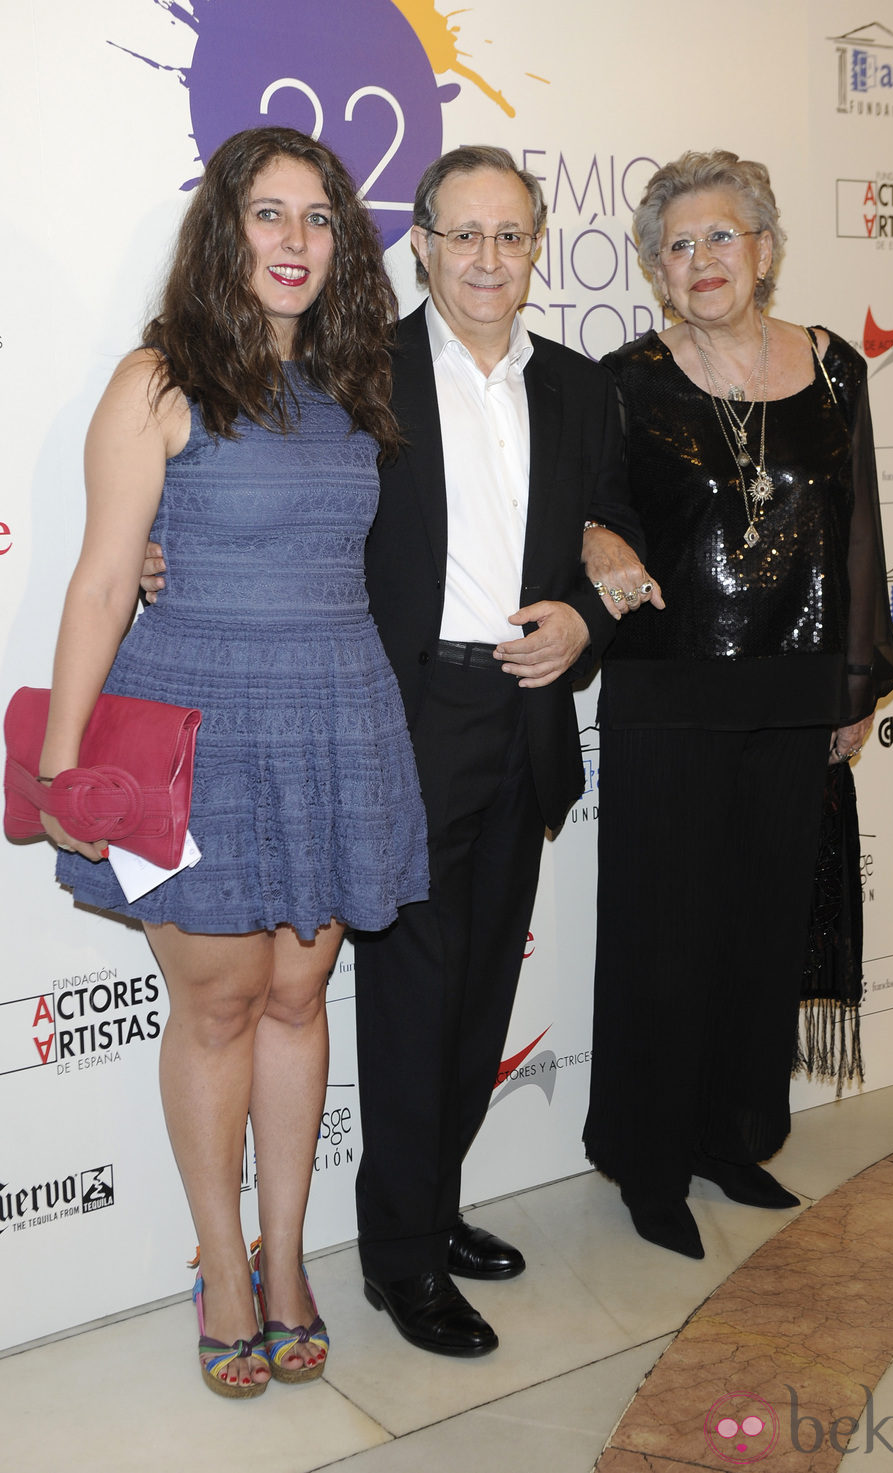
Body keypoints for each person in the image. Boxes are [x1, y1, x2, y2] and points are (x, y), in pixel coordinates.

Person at [143, 142, 652, 1357]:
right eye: (461, 234)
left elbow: (612, 517)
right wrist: (167, 553)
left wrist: (589, 610)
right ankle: (399, 1260)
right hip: (389, 718)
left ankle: (436, 1204)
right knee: (410, 1003)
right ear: (418, 242)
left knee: (480, 999)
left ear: (537, 251)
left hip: (524, 717)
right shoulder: (349, 370)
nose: (486, 258)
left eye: (510, 235)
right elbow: (251, 482)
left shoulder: (582, 388)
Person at [37, 126, 428, 1396]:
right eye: (269, 214)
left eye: (318, 219)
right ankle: (221, 1267)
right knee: (212, 1006)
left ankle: (286, 1252)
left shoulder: (356, 378)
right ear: (225, 229)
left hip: (333, 715)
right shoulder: (158, 379)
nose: (296, 242)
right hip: (196, 722)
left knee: (299, 1002)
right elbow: (103, 582)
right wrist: (56, 773)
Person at [580, 150, 893, 1261]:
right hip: (667, 690)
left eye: (721, 236)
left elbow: (855, 522)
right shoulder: (621, 382)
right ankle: (647, 1159)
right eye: (676, 246)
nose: (700, 260)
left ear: (763, 248)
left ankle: (730, 1138)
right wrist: (599, 538)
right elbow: (582, 511)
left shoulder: (830, 368)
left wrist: (854, 677)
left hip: (791, 689)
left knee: (761, 928)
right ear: (655, 273)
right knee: (659, 935)